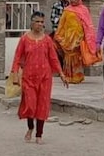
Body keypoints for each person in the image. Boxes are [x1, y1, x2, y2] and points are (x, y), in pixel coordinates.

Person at [11, 11, 67, 144]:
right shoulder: (24, 39)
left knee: (42, 105)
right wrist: (15, 74)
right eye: (37, 21)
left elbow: (53, 58)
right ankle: (30, 127)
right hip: (29, 77)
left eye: (42, 22)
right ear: (32, 22)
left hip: (45, 77)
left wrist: (62, 74)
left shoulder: (47, 40)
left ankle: (39, 134)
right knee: (30, 105)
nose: (40, 24)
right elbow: (17, 57)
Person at [54, 0, 100, 83]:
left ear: (79, 0)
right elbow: (62, 24)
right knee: (68, 56)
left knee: (77, 57)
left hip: (79, 37)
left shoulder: (84, 10)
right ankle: (68, 76)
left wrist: (87, 35)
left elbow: (88, 23)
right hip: (68, 37)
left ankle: (77, 76)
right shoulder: (67, 10)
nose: (73, 1)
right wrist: (58, 34)